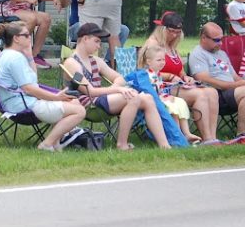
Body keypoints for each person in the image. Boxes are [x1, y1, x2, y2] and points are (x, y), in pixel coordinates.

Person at [62, 22, 171, 150]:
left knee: (148, 98)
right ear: (85, 39)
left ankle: (165, 145)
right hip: (85, 104)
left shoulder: (96, 61)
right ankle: (122, 144)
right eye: (96, 41)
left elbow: (119, 78)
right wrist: (117, 89)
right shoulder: (72, 63)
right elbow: (89, 91)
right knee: (133, 97)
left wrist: (116, 87)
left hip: (100, 99)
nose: (99, 46)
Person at [0, 21, 86, 152]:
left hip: (20, 101)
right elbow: (29, 89)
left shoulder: (7, 54)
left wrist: (29, 55)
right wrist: (55, 97)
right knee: (80, 111)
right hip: (22, 105)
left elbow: (33, 81)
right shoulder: (14, 58)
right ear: (16, 38)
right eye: (26, 35)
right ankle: (47, 144)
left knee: (74, 101)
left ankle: (57, 142)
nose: (30, 37)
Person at [189, 23, 245, 137]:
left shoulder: (221, 54)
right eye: (216, 40)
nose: (220, 43)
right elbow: (204, 79)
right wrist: (238, 85)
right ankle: (241, 133)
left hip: (234, 91)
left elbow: (235, 77)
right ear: (203, 38)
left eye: (221, 39)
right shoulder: (197, 54)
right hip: (218, 95)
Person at [142, 11, 218, 143]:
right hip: (160, 87)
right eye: (171, 31)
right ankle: (206, 138)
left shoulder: (172, 46)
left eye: (177, 32)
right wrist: (170, 76)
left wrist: (186, 77)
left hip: (177, 84)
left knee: (212, 92)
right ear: (162, 29)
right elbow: (145, 72)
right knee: (200, 95)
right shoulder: (153, 44)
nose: (174, 35)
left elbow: (179, 70)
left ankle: (213, 136)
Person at [137, 45, 202, 144]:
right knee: (172, 106)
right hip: (151, 101)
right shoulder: (146, 75)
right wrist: (163, 97)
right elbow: (149, 91)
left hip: (160, 98)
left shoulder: (157, 74)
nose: (162, 62)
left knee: (180, 101)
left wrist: (166, 95)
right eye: (159, 60)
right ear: (149, 62)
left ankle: (186, 133)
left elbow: (160, 88)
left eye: (163, 60)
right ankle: (176, 134)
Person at [58, 0, 130, 63]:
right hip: (79, 25)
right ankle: (83, 61)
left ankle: (108, 62)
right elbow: (63, 4)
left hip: (100, 26)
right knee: (83, 26)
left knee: (124, 30)